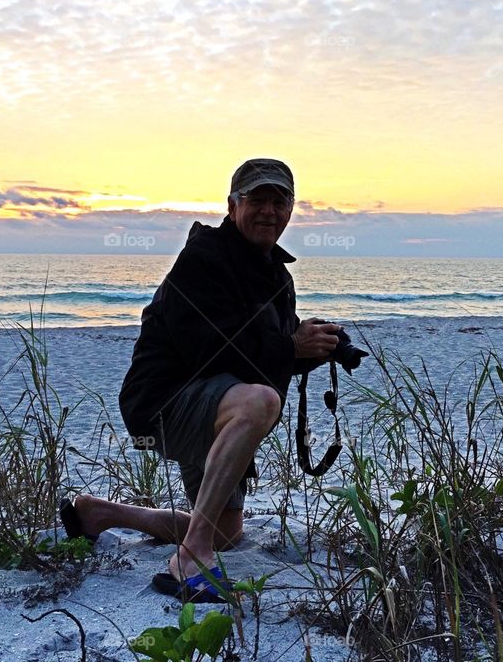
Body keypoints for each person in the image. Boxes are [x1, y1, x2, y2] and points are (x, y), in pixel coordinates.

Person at [59, 158, 341, 602]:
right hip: (164, 405)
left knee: (226, 534)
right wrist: (290, 348)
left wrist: (316, 348)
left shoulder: (277, 276)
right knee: (261, 403)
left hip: (218, 406)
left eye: (279, 201)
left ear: (291, 210)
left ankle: (97, 514)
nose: (268, 210)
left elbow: (264, 351)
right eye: (257, 200)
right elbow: (212, 348)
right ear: (232, 205)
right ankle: (190, 558)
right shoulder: (204, 258)